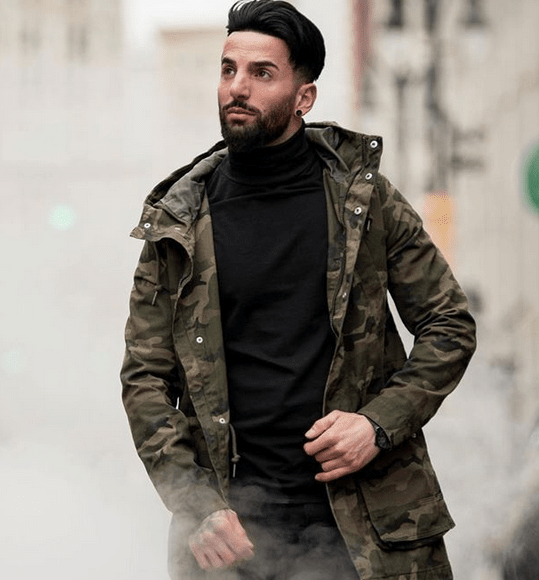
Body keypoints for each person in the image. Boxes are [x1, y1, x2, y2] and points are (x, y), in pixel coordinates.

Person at [120, 1, 476, 579]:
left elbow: (449, 325)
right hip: (235, 543)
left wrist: (377, 425)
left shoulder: (365, 202)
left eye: (261, 73)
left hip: (369, 533)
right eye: (228, 69)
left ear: (303, 97)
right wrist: (194, 502)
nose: (237, 87)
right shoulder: (178, 221)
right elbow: (145, 378)